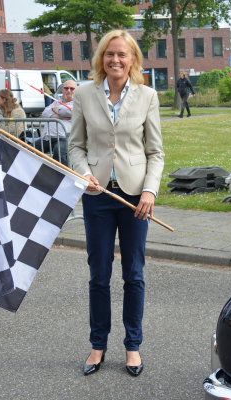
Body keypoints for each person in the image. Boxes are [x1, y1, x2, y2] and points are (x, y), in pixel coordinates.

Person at [69, 29, 164, 377]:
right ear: (101, 59)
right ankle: (97, 345)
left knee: (134, 274)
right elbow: (76, 145)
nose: (115, 60)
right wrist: (83, 172)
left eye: (122, 54)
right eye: (109, 54)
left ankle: (133, 346)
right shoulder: (83, 93)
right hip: (96, 195)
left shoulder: (147, 96)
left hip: (136, 197)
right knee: (99, 274)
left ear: (133, 59)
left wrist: (150, 192)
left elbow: (155, 152)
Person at [34, 80, 76, 166]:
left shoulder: (78, 103)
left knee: (59, 152)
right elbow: (45, 113)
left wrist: (54, 109)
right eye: (66, 88)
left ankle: (64, 176)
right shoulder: (56, 102)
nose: (69, 90)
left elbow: (68, 111)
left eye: (72, 88)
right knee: (29, 148)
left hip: (65, 138)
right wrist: (61, 116)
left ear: (76, 91)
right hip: (47, 138)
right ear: (62, 90)